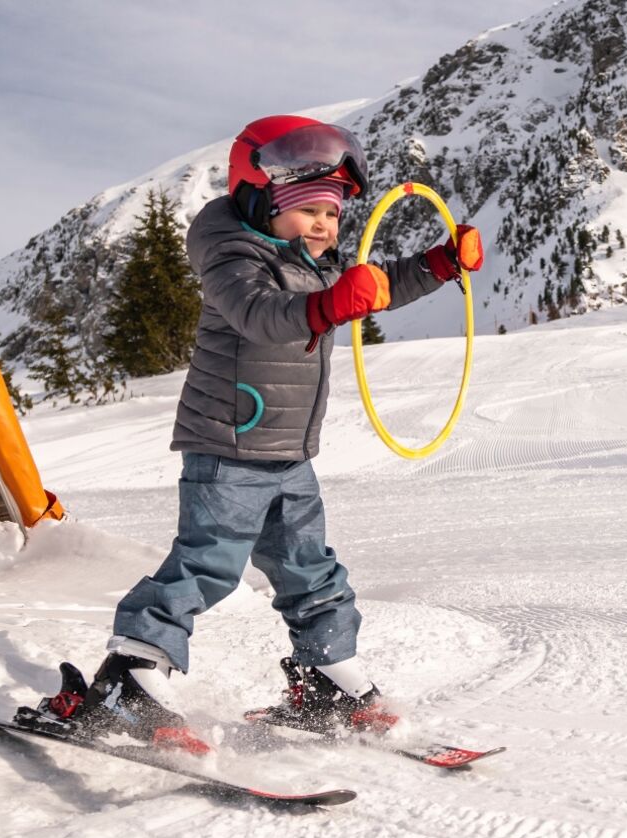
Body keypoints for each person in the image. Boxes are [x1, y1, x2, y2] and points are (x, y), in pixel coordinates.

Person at [42, 115, 485, 751]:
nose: (325, 226)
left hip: (289, 454)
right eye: (308, 210)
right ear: (260, 200)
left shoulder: (317, 264)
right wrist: (330, 305)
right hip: (227, 447)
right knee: (207, 565)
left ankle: (328, 675)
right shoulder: (232, 257)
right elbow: (260, 316)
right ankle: (128, 676)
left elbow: (380, 285)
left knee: (311, 569)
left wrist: (439, 264)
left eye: (333, 214)